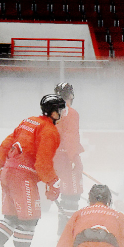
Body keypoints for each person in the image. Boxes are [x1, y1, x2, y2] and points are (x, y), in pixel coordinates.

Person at [0, 94, 65, 247]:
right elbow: (43, 162)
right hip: (23, 176)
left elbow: (6, 144)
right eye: (61, 109)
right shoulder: (49, 130)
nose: (62, 113)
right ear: (54, 112)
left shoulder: (28, 121)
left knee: (11, 218)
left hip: (8, 173)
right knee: (28, 219)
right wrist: (53, 182)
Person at [51, 82, 85, 235]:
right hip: (66, 157)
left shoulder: (49, 112)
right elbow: (70, 136)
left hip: (55, 157)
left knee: (65, 195)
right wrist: (72, 158)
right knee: (72, 195)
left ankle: (61, 231)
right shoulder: (70, 112)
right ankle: (68, 233)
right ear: (70, 96)